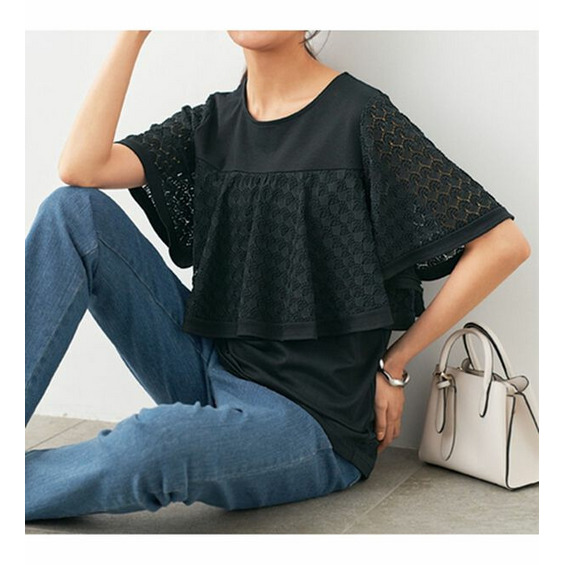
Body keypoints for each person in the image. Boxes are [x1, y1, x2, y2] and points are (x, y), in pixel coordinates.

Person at [25, 30, 531, 522]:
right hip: (207, 364)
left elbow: (502, 245)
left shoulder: (360, 115)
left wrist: (395, 363)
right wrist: (133, 31)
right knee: (71, 212)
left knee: (155, 444)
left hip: (311, 419)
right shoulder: (213, 121)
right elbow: (82, 167)